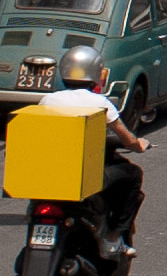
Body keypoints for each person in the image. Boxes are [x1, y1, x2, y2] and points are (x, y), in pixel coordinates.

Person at [35, 70, 150, 262]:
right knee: (134, 174)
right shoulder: (100, 103)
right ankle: (112, 239)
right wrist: (139, 145)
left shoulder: (48, 100)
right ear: (95, 77)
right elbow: (127, 139)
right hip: (86, 175)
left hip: (53, 171)